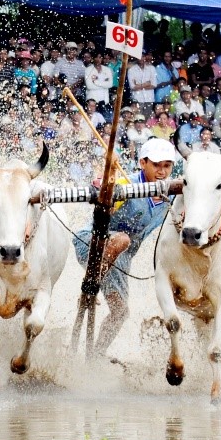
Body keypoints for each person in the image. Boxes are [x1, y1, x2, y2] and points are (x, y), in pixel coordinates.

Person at [73, 138, 177, 356]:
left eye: (167, 166)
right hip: (93, 243)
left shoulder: (173, 192)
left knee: (121, 313)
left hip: (120, 260)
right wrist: (110, 172)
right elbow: (103, 212)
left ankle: (96, 355)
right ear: (143, 163)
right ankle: (91, 285)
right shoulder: (125, 185)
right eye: (156, 165)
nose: (161, 171)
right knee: (122, 239)